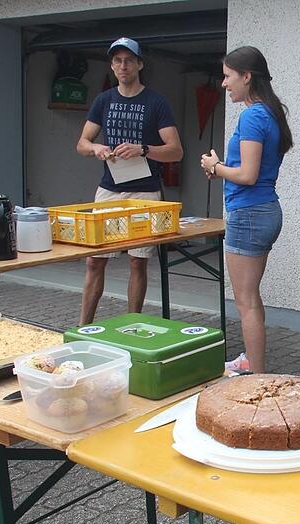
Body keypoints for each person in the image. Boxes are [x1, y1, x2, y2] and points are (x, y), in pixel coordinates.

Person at [76, 37, 184, 324]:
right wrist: (96, 148)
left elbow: (176, 151)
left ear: (139, 64)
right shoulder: (104, 100)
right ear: (112, 66)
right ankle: (83, 326)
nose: (123, 66)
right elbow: (82, 143)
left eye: (128, 60)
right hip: (109, 189)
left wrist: (143, 149)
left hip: (145, 192)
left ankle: (131, 324)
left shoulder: (156, 102)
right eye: (117, 61)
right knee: (94, 260)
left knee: (138, 261)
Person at [200, 46, 292, 374]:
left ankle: (257, 377)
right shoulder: (270, 112)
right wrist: (223, 168)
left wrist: (215, 167)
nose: (224, 83)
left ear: (247, 76)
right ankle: (252, 363)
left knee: (246, 302)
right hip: (264, 211)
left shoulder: (252, 115)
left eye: (228, 76)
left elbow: (248, 175)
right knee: (252, 297)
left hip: (249, 214)